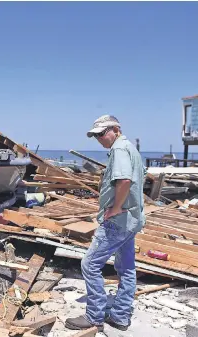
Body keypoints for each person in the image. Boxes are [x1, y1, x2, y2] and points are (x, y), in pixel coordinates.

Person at [65, 115, 145, 332]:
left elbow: (125, 181)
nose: (99, 138)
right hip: (132, 220)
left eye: (102, 133)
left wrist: (116, 207)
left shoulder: (119, 150)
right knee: (126, 268)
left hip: (118, 220)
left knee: (89, 264)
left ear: (116, 129)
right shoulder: (130, 149)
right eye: (96, 135)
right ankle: (120, 316)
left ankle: (94, 317)